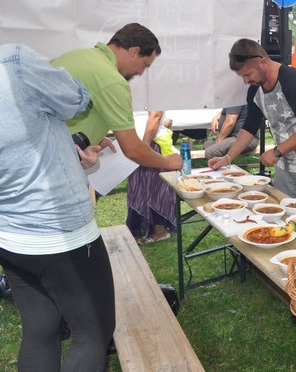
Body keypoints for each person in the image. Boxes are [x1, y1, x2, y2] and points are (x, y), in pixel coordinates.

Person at [0, 43, 115, 371]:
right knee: (92, 335)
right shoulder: (14, 61)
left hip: (10, 233)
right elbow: (75, 98)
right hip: (60, 233)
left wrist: (66, 149)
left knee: (40, 331)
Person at [208, 39, 296, 213]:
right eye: (242, 76)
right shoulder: (255, 89)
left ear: (263, 62)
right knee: (285, 214)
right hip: (284, 162)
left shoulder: (293, 81)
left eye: (248, 74)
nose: (245, 80)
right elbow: (249, 127)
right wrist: (228, 158)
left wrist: (276, 152)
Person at [51, 23, 183, 173]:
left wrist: (95, 137)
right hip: (54, 162)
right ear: (134, 51)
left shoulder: (74, 56)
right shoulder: (112, 80)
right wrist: (168, 162)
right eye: (144, 65)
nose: (141, 72)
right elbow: (133, 149)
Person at [127, 111, 179, 244]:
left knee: (154, 189)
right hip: (136, 144)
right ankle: (141, 228)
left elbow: (156, 114)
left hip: (150, 143)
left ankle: (159, 230)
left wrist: (145, 146)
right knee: (138, 188)